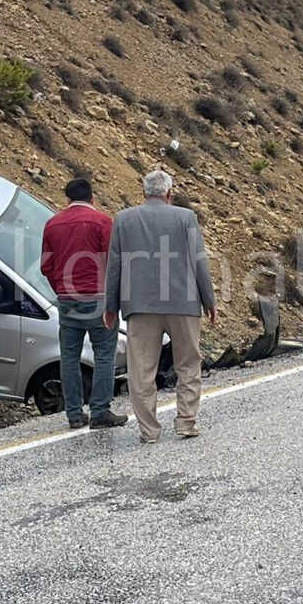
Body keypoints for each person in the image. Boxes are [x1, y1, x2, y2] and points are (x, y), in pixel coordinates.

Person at [105, 170, 217, 443]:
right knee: (188, 363)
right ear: (169, 193)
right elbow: (199, 262)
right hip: (183, 302)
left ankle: (150, 431)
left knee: (141, 370)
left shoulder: (123, 219)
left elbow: (114, 266)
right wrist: (209, 300)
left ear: (144, 193)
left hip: (140, 306)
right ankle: (186, 422)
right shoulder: (185, 217)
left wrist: (110, 305)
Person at [41, 178, 128, 430]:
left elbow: (46, 266)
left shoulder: (52, 224)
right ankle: (100, 411)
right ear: (92, 198)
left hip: (67, 300)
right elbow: (113, 264)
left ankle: (75, 414)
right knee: (104, 354)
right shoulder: (102, 222)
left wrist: (61, 288)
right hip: (98, 299)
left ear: (67, 199)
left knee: (69, 357)